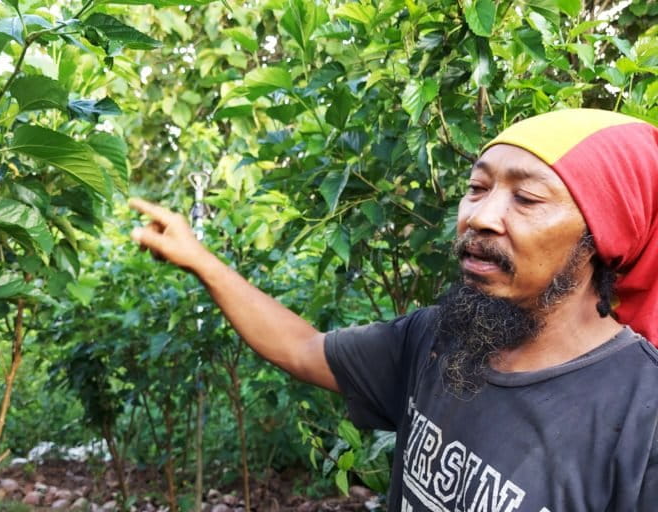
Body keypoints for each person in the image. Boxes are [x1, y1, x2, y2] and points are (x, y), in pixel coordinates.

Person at [129, 108, 658, 511]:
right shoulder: (438, 338)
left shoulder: (643, 415)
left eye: (527, 199)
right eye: (477, 188)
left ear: (601, 236)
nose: (480, 217)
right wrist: (201, 261)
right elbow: (303, 348)